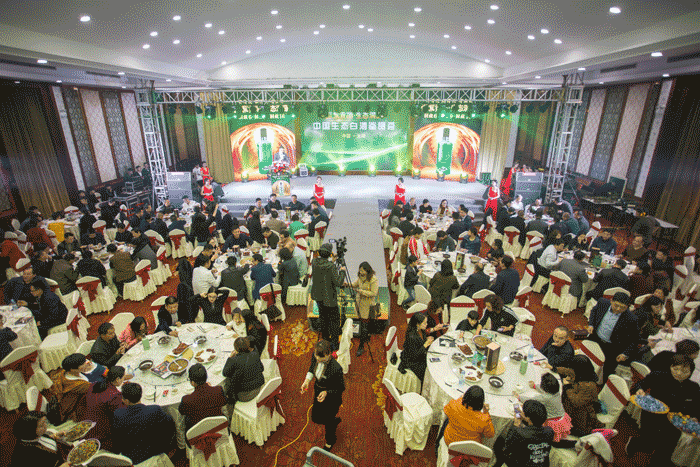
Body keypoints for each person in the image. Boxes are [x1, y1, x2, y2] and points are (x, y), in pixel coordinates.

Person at [629, 355, 700, 465]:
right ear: (670, 366)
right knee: (647, 442)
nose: (679, 373)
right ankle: (633, 443)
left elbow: (696, 406)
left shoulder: (694, 387)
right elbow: (640, 384)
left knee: (665, 450)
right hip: (652, 414)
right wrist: (640, 389)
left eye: (685, 371)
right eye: (675, 369)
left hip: (675, 421)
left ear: (690, 372)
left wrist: (695, 417)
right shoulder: (658, 375)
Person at [112, 383, 175, 465]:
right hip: (154, 451)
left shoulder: (118, 414)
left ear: (126, 400)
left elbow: (116, 438)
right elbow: (170, 425)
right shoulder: (154, 410)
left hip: (132, 457)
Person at [300, 339, 345, 450]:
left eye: (321, 357)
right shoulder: (316, 355)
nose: (318, 359)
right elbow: (312, 367)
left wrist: (327, 393)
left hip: (332, 399)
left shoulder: (336, 368)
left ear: (329, 354)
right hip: (318, 392)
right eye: (316, 356)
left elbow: (341, 388)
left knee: (328, 422)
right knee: (316, 417)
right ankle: (334, 421)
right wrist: (307, 381)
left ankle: (330, 440)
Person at [587, 292, 639, 381]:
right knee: (589, 360)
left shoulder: (631, 318)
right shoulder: (602, 302)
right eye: (616, 305)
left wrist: (625, 353)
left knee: (606, 371)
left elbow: (635, 339)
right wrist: (591, 324)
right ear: (611, 301)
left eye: (622, 307)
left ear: (627, 307)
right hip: (595, 338)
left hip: (612, 347)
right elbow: (594, 311)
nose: (618, 309)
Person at [492, 399, 554, 467]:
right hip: (542, 464)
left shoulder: (520, 433)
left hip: (521, 464)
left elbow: (508, 446)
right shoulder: (549, 431)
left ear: (528, 418)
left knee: (499, 442)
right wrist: (525, 418)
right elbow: (534, 429)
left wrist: (516, 424)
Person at [436, 386, 494, 455]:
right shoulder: (484, 418)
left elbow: (446, 410)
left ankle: (437, 445)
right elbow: (490, 434)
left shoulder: (454, 405)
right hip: (468, 449)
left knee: (447, 420)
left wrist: (461, 398)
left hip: (450, 442)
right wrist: (486, 412)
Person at [517, 374, 572, 442]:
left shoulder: (545, 398)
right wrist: (535, 386)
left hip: (552, 421)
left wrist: (519, 397)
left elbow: (531, 401)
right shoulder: (557, 391)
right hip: (562, 417)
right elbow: (545, 390)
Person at [83, 366, 126, 451]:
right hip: (102, 425)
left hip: (89, 418)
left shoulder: (94, 384)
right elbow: (120, 413)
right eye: (123, 378)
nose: (123, 380)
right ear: (117, 379)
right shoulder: (114, 396)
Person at [311, 244, 345, 347]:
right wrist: (342, 272)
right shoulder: (331, 266)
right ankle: (334, 343)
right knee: (334, 321)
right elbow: (338, 282)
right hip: (329, 298)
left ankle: (325, 339)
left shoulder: (314, 262)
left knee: (323, 317)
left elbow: (323, 267)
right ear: (330, 254)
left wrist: (332, 261)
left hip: (318, 296)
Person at [179, 363, 227, 431]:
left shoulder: (186, 400)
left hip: (197, 433)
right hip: (218, 428)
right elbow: (224, 401)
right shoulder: (218, 390)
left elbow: (181, 412)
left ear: (192, 383)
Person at [222, 336, 265, 411]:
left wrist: (230, 357)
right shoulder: (254, 354)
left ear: (236, 349)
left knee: (227, 381)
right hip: (258, 387)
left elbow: (225, 373)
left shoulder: (234, 360)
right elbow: (262, 368)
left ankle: (230, 403)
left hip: (244, 395)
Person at [49, 354, 92, 423]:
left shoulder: (63, 372)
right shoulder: (80, 385)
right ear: (72, 369)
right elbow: (94, 390)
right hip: (78, 410)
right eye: (83, 364)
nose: (88, 362)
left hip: (67, 403)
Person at [348, 261, 379, 356]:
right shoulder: (360, 277)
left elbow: (374, 293)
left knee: (364, 324)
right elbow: (355, 284)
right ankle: (364, 336)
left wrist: (361, 291)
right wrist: (347, 284)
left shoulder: (373, 279)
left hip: (368, 305)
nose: (360, 272)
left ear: (367, 270)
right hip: (359, 303)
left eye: (362, 270)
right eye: (360, 270)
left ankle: (361, 345)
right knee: (362, 322)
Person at [398, 314, 433, 384]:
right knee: (428, 373)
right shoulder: (411, 337)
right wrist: (425, 344)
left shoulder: (420, 330)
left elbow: (420, 342)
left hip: (419, 355)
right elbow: (414, 356)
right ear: (417, 324)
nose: (426, 324)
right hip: (412, 361)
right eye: (424, 323)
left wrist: (426, 339)